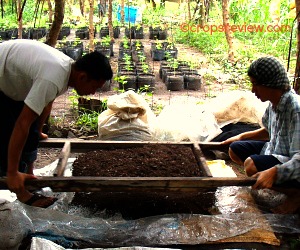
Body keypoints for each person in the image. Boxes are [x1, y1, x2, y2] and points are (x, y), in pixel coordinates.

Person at [0, 39, 113, 208]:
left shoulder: (66, 70)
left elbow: (46, 103)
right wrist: (12, 172)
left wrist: (36, 131)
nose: (93, 93)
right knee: (8, 134)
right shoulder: (53, 77)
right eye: (94, 87)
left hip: (11, 77)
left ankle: (28, 176)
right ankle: (18, 186)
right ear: (83, 77)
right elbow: (22, 124)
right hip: (3, 75)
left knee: (29, 130)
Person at [221, 56, 300, 214]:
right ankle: (270, 180)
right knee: (234, 148)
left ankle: (295, 194)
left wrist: (274, 172)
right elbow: (268, 131)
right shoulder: (274, 104)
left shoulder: (295, 109)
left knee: (251, 164)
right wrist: (241, 137)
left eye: (256, 84)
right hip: (274, 150)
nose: (252, 90)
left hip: (293, 162)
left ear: (271, 84)